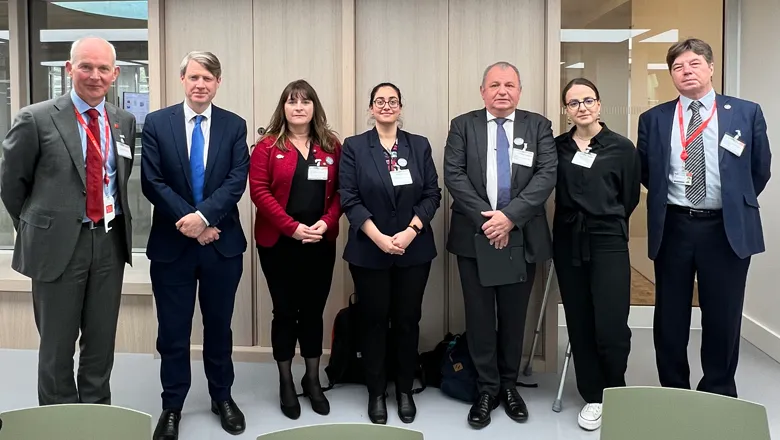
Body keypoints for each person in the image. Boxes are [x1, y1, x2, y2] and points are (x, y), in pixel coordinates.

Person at [0, 37, 136, 406]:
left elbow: (117, 180)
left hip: (108, 241)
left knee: (101, 340)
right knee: (58, 345)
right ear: (69, 68)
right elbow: (12, 185)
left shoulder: (124, 121)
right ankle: (60, 421)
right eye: (86, 67)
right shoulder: (35, 118)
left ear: (115, 74)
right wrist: (39, 228)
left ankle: (95, 414)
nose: (95, 75)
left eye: (103, 68)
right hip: (58, 246)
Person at [637, 38, 771, 398]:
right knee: (670, 316)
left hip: (725, 229)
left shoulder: (745, 112)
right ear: (671, 75)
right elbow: (648, 173)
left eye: (694, 64)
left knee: (723, 316)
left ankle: (717, 390)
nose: (687, 72)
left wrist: (730, 203)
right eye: (678, 67)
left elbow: (759, 171)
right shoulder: (654, 118)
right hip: (675, 226)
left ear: (711, 68)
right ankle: (674, 391)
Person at [141, 51, 250, 439]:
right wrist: (192, 223)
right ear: (182, 80)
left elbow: (237, 181)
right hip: (173, 247)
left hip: (221, 245)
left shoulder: (235, 125)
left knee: (219, 328)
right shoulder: (156, 123)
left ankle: (222, 396)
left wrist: (204, 218)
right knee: (173, 331)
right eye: (194, 77)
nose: (200, 84)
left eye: (208, 78)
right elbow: (152, 182)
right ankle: (172, 406)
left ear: (218, 83)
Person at [443, 61, 556, 429]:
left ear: (519, 91)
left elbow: (546, 175)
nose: (502, 91)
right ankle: (486, 388)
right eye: (494, 85)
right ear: (482, 92)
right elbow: (454, 176)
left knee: (513, 316)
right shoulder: (463, 125)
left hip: (521, 237)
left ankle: (509, 385)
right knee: (478, 317)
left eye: (509, 84)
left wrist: (510, 218)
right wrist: (490, 220)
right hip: (475, 236)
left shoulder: (538, 126)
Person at [340, 82, 441, 425]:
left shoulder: (418, 145)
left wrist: (410, 232)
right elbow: (349, 198)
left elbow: (432, 194)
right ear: (370, 108)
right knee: (373, 321)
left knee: (407, 320)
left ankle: (403, 390)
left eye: (392, 101)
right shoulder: (354, 147)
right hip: (370, 250)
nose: (386, 105)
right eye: (379, 101)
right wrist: (380, 238)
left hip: (413, 250)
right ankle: (376, 391)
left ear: (401, 107)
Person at [249, 79, 342, 420]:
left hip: (319, 242)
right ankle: (286, 380)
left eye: (305, 101)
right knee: (285, 312)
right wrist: (291, 227)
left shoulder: (331, 145)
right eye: (292, 101)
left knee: (314, 311)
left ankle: (313, 379)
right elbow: (259, 191)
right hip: (278, 244)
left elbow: (342, 193)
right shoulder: (267, 147)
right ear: (283, 107)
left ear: (314, 107)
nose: (299, 107)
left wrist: (327, 223)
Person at [553, 78, 640, 431]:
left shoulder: (622, 147)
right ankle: (593, 395)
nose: (582, 107)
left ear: (600, 104)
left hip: (608, 240)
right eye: (573, 103)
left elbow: (630, 197)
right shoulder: (557, 147)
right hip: (568, 240)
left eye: (588, 100)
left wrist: (604, 217)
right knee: (580, 320)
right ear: (566, 111)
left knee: (611, 323)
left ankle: (615, 388)